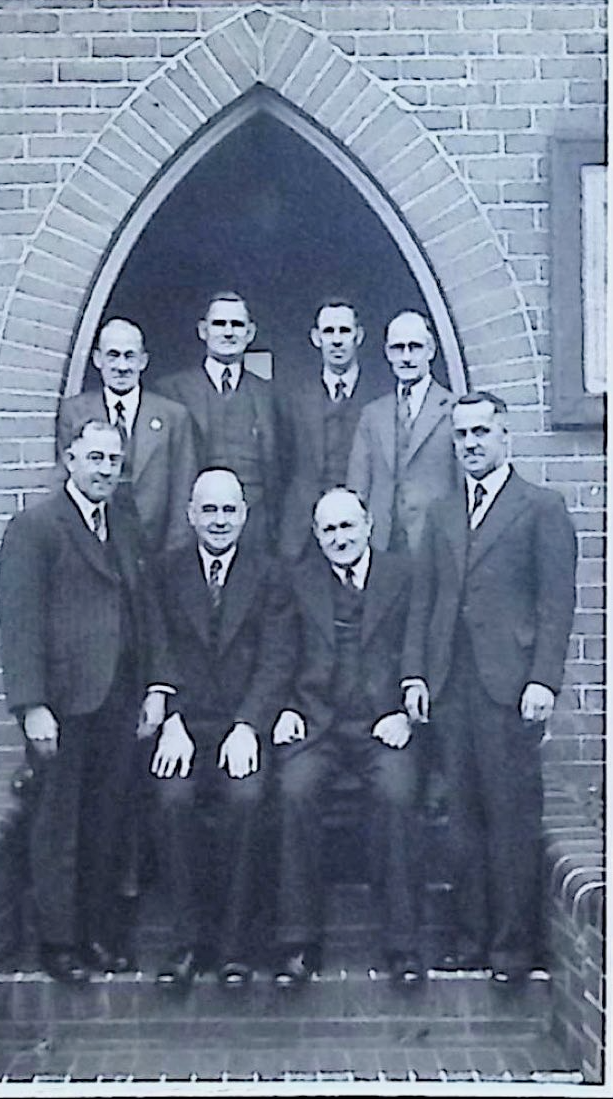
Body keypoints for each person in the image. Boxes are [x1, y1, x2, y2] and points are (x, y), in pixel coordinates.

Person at [401, 392, 576, 983]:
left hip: (509, 687)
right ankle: (471, 939)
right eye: (461, 434)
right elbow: (424, 600)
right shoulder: (443, 512)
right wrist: (416, 673)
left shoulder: (541, 506)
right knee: (462, 819)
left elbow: (556, 603)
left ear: (505, 434)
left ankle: (512, 948)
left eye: (481, 431)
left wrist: (543, 680)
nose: (471, 443)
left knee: (511, 817)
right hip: (452, 686)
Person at [0, 420, 177, 982]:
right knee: (58, 823)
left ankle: (98, 935)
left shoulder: (124, 525)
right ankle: (58, 943)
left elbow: (147, 609)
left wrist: (157, 687)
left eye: (113, 461)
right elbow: (20, 622)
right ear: (69, 458)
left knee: (107, 821)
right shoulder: (35, 528)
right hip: (63, 703)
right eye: (94, 457)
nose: (104, 470)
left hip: (120, 699)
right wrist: (32, 705)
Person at [146, 468, 296, 988]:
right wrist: (172, 720)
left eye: (229, 510)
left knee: (247, 800)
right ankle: (188, 944)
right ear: (191, 514)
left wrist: (249, 724)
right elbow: (157, 649)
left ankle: (234, 947)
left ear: (245, 515)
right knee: (172, 800)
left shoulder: (271, 574)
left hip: (241, 725)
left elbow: (278, 658)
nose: (219, 520)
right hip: (185, 727)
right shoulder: (164, 572)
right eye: (208, 510)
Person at [272, 487, 421, 986]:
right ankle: (298, 942)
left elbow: (419, 647)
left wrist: (405, 713)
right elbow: (278, 654)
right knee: (294, 790)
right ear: (316, 535)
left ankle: (402, 944)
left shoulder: (402, 575)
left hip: (382, 724)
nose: (340, 538)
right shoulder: (297, 581)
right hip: (318, 724)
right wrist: (286, 708)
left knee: (398, 793)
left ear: (369, 525)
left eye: (348, 526)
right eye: (329, 529)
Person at [57, 318, 197, 554]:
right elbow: (66, 482)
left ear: (143, 361)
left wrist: (173, 556)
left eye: (130, 356)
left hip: (155, 550)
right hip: (95, 549)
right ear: (97, 359)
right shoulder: (75, 413)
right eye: (113, 356)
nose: (122, 367)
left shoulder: (173, 416)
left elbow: (183, 492)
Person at [157, 293, 280, 550]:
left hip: (255, 528)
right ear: (203, 330)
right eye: (219, 324)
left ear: (250, 333)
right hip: (194, 527)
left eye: (237, 325)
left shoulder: (268, 393)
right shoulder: (172, 391)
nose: (228, 332)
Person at [347, 310, 458, 554]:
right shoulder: (372, 414)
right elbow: (358, 486)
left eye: (415, 347)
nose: (406, 357)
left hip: (435, 542)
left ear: (431, 351)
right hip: (382, 543)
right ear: (388, 353)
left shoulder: (452, 409)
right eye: (398, 348)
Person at [279, 300, 379, 561]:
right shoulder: (294, 397)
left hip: (361, 529)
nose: (336, 340)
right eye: (328, 331)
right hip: (303, 532)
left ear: (359, 336)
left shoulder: (380, 396)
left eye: (344, 331)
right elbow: (282, 464)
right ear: (316, 337)